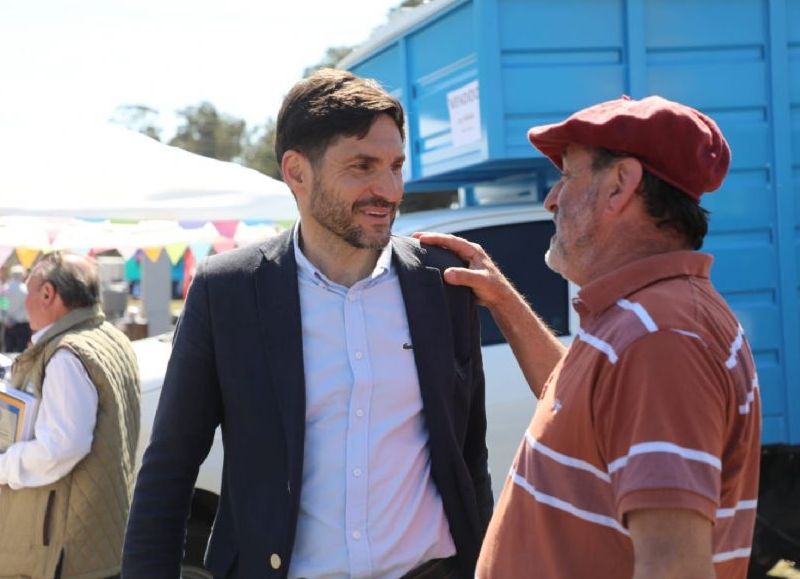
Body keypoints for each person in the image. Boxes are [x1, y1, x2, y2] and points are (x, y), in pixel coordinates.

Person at [122, 69, 492, 579]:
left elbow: (469, 458)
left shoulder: (442, 285)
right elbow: (170, 468)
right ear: (297, 172)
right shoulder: (229, 291)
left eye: (395, 166)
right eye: (361, 166)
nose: (387, 189)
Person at [417, 96, 761, 578]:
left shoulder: (660, 336)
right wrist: (505, 303)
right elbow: (578, 409)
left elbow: (672, 566)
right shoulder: (642, 318)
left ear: (621, 185)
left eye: (568, 176)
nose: (552, 198)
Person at [0, 251, 141, 579]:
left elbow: (62, 446)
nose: (27, 299)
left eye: (29, 288)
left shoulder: (67, 353)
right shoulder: (111, 338)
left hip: (62, 550)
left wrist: (4, 465)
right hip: (96, 536)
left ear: (48, 293)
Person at [2, 264, 32, 352]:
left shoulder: (5, 289)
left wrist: (5, 319)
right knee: (21, 353)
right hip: (22, 325)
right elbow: (28, 308)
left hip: (8, 324)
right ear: (22, 275)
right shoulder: (26, 290)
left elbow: (2, 307)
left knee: (8, 351)